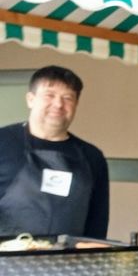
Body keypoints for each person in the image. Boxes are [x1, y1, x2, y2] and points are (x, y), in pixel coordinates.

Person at [0, 65, 108, 239]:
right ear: (30, 99)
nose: (58, 104)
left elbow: (97, 222)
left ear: (76, 104)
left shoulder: (92, 157)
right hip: (7, 255)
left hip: (70, 256)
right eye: (49, 95)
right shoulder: (3, 142)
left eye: (67, 98)